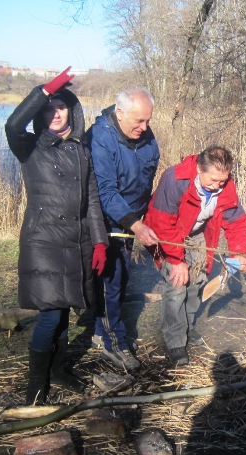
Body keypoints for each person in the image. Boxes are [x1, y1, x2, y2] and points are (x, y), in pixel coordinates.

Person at [5, 67, 108, 405]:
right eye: (48, 108)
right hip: (44, 243)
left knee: (64, 311)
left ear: (71, 112)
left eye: (60, 107)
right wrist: (43, 91)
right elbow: (12, 124)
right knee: (50, 314)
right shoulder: (30, 146)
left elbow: (92, 199)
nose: (54, 114)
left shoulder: (81, 150)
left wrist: (99, 242)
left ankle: (59, 370)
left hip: (76, 242)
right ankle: (36, 382)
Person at [144, 146, 246, 366]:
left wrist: (240, 253)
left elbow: (236, 221)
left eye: (222, 181)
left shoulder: (225, 184)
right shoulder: (175, 179)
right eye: (213, 180)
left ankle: (186, 325)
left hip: (196, 232)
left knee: (198, 280)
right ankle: (175, 339)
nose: (218, 186)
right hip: (168, 233)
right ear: (198, 168)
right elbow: (162, 223)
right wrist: (176, 261)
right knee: (177, 285)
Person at [89, 88, 160, 371]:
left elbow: (147, 177)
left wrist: (147, 218)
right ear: (120, 114)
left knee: (122, 276)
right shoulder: (101, 139)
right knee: (111, 280)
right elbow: (105, 191)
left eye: (148, 121)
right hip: (107, 221)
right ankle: (114, 343)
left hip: (132, 221)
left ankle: (98, 329)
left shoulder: (145, 136)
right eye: (139, 121)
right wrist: (135, 223)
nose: (144, 128)